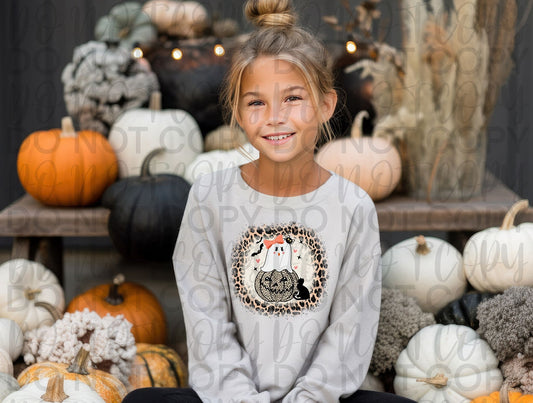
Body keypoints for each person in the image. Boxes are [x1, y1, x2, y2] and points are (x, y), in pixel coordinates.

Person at [123, 0, 415, 402]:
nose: (274, 117)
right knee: (142, 401)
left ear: (326, 105)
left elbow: (348, 337)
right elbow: (210, 329)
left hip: (319, 398)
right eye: (256, 102)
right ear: (238, 113)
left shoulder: (353, 207)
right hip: (231, 398)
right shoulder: (210, 199)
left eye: (293, 99)